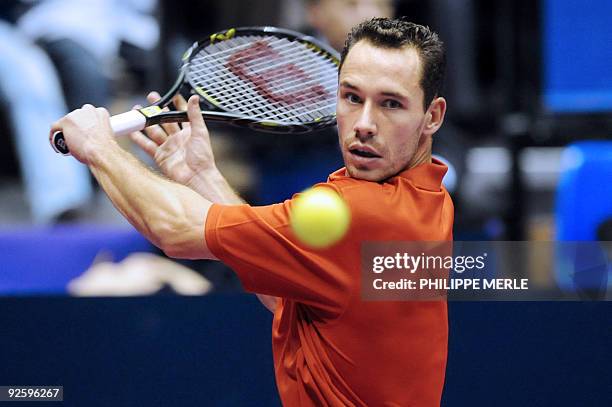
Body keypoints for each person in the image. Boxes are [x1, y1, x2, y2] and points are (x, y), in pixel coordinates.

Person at [51, 18, 453, 406]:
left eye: (391, 104)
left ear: (432, 116)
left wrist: (99, 148)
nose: (364, 123)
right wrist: (202, 178)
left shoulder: (360, 213)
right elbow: (292, 300)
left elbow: (173, 229)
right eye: (351, 97)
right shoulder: (432, 201)